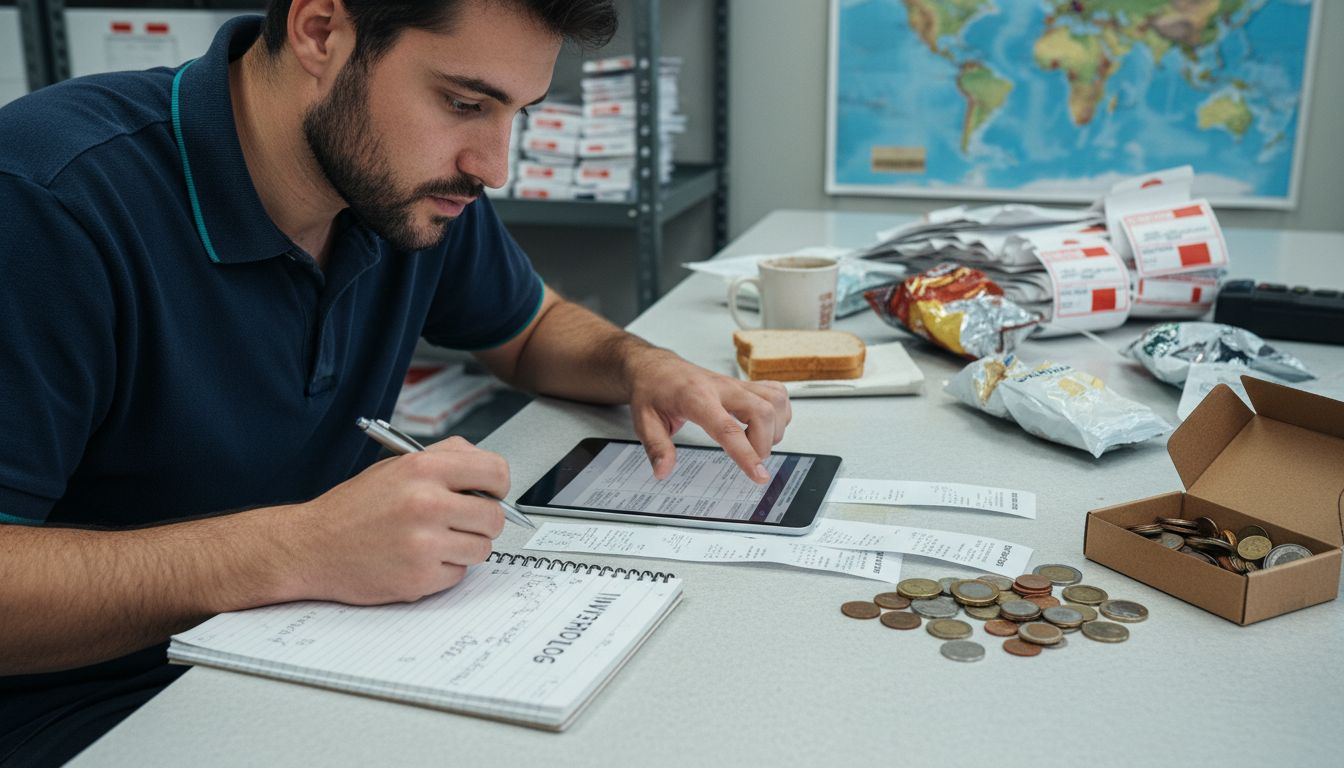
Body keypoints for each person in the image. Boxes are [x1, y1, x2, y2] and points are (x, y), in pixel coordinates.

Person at [0, 0, 791, 762]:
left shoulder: (405, 187)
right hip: (92, 711)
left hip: (314, 646)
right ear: (320, 31)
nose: (495, 166)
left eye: (517, 111)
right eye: (463, 102)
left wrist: (639, 363)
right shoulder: (46, 199)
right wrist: (299, 547)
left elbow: (530, 329)